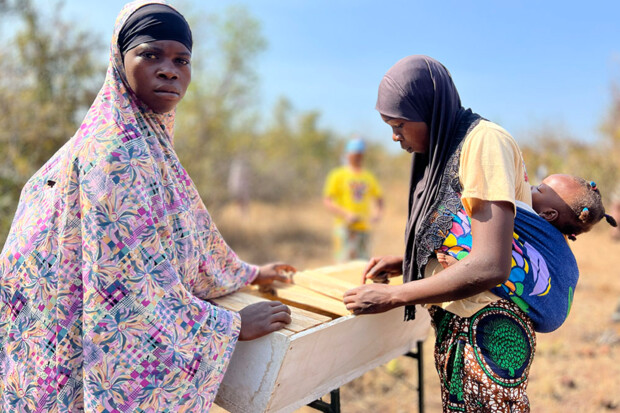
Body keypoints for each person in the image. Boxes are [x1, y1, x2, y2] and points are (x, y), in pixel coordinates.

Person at [0, 1, 293, 411]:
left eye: (182, 59)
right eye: (150, 54)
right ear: (120, 62)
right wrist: (230, 326)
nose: (169, 69)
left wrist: (249, 272)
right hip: (57, 328)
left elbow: (187, 232)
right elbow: (133, 293)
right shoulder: (118, 151)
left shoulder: (145, 140)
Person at [342, 55, 540, 411]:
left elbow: (491, 265)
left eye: (400, 124)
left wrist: (395, 296)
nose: (394, 136)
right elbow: (471, 239)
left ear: (430, 111)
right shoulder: (451, 147)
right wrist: (408, 261)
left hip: (487, 329)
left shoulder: (483, 143)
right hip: (463, 320)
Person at [436, 174, 617, 333]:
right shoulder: (535, 232)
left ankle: (466, 263)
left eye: (538, 189)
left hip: (496, 301)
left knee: (502, 256)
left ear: (548, 214)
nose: (530, 188)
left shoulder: (528, 219)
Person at [323, 138, 384, 262]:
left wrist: (377, 214)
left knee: (363, 264)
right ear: (347, 154)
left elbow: (379, 198)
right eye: (355, 155)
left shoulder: (367, 176)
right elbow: (328, 200)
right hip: (345, 228)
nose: (357, 158)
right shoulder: (338, 175)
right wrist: (346, 214)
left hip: (364, 228)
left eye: (360, 155)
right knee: (344, 264)